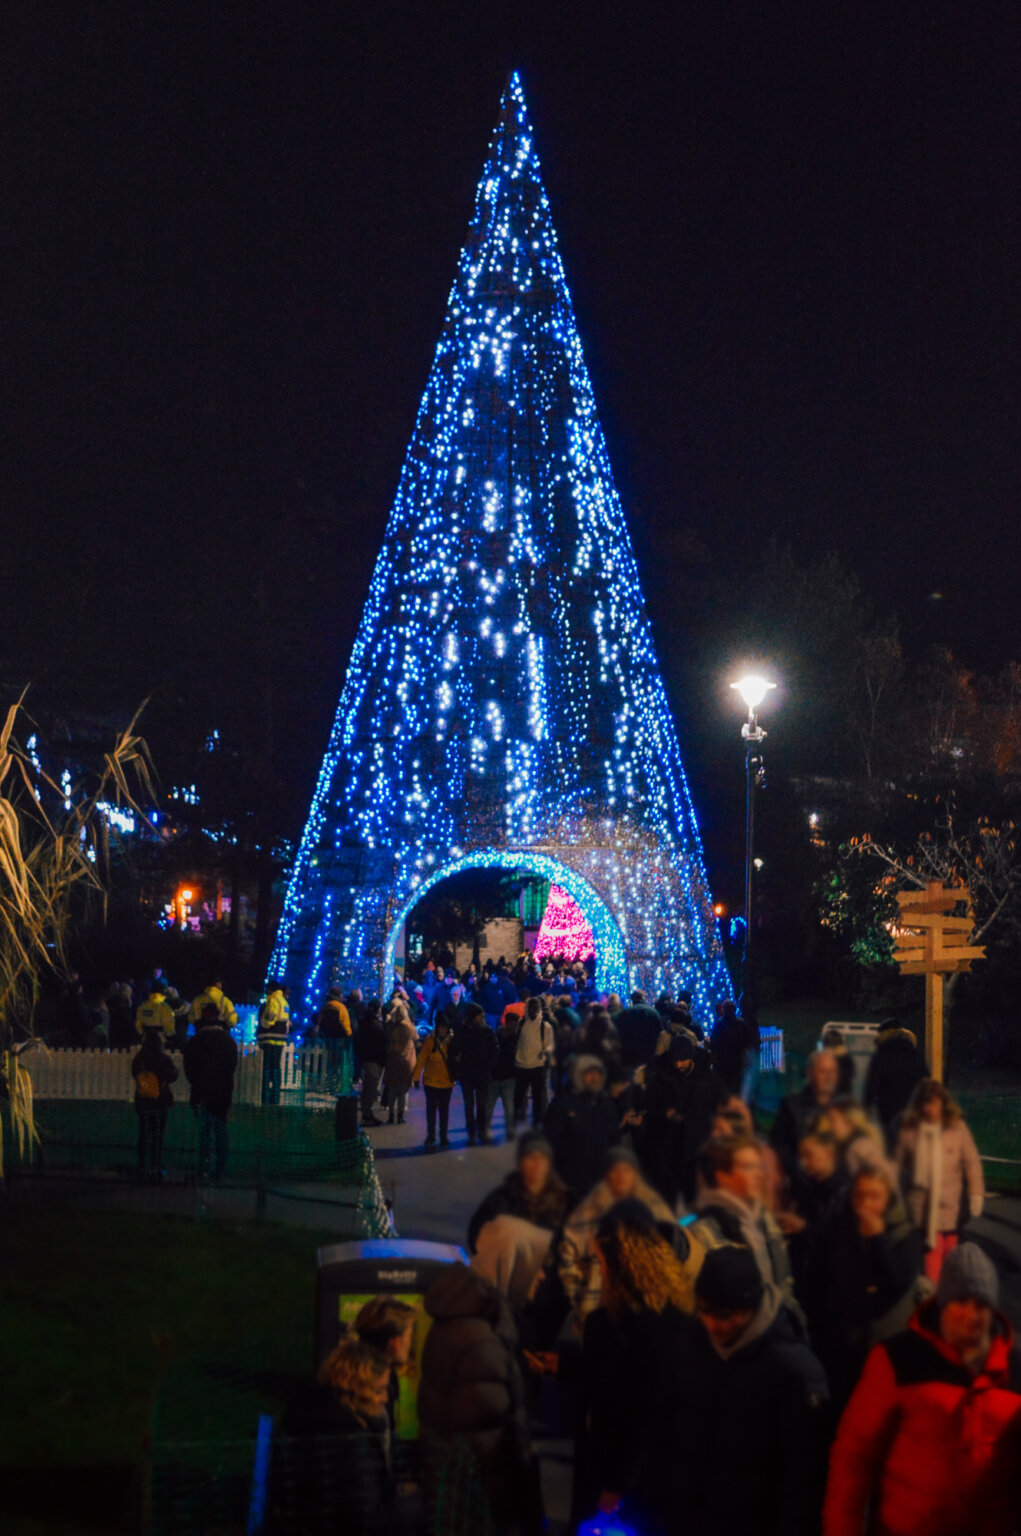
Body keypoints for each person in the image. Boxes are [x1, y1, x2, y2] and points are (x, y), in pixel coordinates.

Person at [824, 1243, 1021, 1536]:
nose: (970, 1314)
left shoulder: (1013, 1371)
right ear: (941, 1304)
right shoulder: (898, 1360)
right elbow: (854, 1457)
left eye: (980, 1304)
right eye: (960, 1302)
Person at [576, 1200, 702, 1535]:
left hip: (628, 1482)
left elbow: (633, 1411)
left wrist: (614, 1484)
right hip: (675, 1473)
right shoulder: (683, 1316)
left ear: (621, 1266)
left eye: (602, 1262)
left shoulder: (610, 1325)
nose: (600, 1271)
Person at [690, 1246, 830, 1536]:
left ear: (751, 1307)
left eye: (725, 1314)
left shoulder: (793, 1369)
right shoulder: (697, 1348)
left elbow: (806, 1476)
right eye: (705, 1311)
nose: (713, 1325)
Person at [418, 1263, 542, 1536]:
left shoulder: (443, 1329)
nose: (542, 1276)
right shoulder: (483, 1341)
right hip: (483, 1483)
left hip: (449, 1475)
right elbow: (489, 1419)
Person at [807, 1166, 923, 1411]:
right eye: (860, 1195)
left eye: (874, 1196)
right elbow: (823, 1273)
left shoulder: (906, 1232)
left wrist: (878, 1239)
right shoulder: (841, 1226)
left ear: (888, 1197)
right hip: (841, 1338)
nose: (865, 1204)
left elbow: (898, 1283)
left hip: (885, 1341)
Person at [558, 1147, 682, 1329]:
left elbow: (672, 1251)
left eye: (627, 1170)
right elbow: (568, 1258)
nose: (621, 1176)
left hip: (649, 1310)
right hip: (595, 1309)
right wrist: (580, 1298)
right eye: (615, 1170)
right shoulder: (586, 1212)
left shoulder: (654, 1207)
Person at [282, 1337, 394, 1533]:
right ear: (358, 1389)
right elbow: (365, 1516)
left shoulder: (313, 1413)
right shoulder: (349, 1439)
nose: (385, 1398)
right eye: (380, 1390)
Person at [895, 1077, 985, 1285]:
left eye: (934, 1102)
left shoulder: (958, 1129)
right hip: (923, 1212)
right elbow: (896, 1167)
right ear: (919, 1105)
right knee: (931, 1265)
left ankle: (948, 1299)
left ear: (943, 1103)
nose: (930, 1108)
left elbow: (971, 1163)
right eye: (925, 1102)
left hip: (951, 1208)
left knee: (951, 1259)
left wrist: (976, 1193)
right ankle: (933, 1302)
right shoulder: (910, 1132)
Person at [692, 1135, 796, 1304]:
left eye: (759, 1167)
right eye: (748, 1167)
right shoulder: (704, 1232)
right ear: (722, 1176)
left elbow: (783, 1284)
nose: (759, 1175)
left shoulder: (763, 1220)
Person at [641, 1033, 728, 1206]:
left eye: (683, 1060)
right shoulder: (662, 1078)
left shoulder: (707, 1079)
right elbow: (650, 1105)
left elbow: (722, 1103)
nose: (679, 1064)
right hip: (669, 1149)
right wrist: (663, 1113)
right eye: (676, 1060)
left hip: (697, 1147)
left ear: (692, 1058)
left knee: (697, 1201)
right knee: (666, 1201)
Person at [468, 1132, 571, 1252]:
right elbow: (476, 1238)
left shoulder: (565, 1201)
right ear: (520, 1162)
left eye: (542, 1157)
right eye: (530, 1157)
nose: (536, 1164)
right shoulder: (501, 1200)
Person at [543, 1053, 621, 1198]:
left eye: (598, 1073)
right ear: (578, 1075)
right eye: (589, 1074)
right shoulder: (563, 1104)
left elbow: (614, 1137)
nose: (594, 1078)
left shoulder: (605, 1103)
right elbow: (551, 1140)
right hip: (571, 1179)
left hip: (600, 1179)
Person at [183, 1000, 239, 1179]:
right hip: (222, 1091)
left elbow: (189, 1069)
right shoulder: (229, 1042)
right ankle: (220, 1169)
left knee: (205, 1132)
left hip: (202, 1091)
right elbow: (232, 1066)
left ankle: (203, 1167)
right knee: (221, 1130)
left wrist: (196, 1086)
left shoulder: (195, 1042)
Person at [769, 1048, 840, 1176]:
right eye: (823, 1071)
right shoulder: (791, 1106)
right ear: (810, 1073)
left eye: (832, 1072)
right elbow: (778, 1145)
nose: (829, 1077)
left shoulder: (844, 1108)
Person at [354, 1295, 418, 1437]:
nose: (410, 1342)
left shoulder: (353, 1374)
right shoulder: (378, 1383)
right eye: (409, 1335)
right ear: (395, 1343)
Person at [863, 1021, 928, 1149]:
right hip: (911, 1109)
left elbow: (871, 1085)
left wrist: (866, 1107)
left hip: (888, 1111)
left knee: (891, 1148)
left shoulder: (881, 1055)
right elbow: (925, 1079)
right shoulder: (913, 1053)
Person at [131, 1027, 178, 1178]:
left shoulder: (139, 1059)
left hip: (143, 1100)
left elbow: (135, 1074)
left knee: (144, 1134)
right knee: (157, 1134)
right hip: (160, 1101)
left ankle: (141, 1166)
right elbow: (172, 1076)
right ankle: (155, 1166)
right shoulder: (163, 1059)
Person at [450, 1002, 498, 1145]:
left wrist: (489, 1068)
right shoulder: (463, 1032)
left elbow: (494, 1051)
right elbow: (454, 1051)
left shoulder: (487, 1032)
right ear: (473, 1017)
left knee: (481, 1104)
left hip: (481, 1074)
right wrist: (458, 1068)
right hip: (468, 1075)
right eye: (479, 1016)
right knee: (470, 1105)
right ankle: (472, 1133)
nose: (482, 1018)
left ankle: (481, 1131)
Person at [817, 1095, 891, 1179]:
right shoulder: (846, 1147)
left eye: (832, 1120)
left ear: (849, 1120)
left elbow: (882, 1177)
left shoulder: (861, 1146)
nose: (829, 1126)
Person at [412, 1011, 456, 1147]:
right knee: (432, 1111)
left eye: (445, 1027)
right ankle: (431, 1135)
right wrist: (416, 1077)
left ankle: (442, 1136)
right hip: (431, 1081)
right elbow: (422, 1060)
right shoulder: (430, 1041)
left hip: (446, 1082)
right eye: (441, 1027)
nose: (443, 1029)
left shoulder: (453, 1041)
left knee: (443, 1111)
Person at [514, 996, 554, 1128]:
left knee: (538, 1096)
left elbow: (550, 1044)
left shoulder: (545, 1026)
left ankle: (537, 1119)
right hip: (522, 1065)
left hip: (537, 1065)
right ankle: (518, 1117)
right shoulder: (521, 1023)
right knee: (521, 1095)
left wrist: (545, 1051)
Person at [711, 999, 760, 1098]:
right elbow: (747, 1041)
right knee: (737, 1084)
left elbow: (714, 1042)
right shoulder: (741, 1023)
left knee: (726, 1085)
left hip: (723, 1061)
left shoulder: (719, 1024)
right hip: (737, 1059)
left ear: (724, 1010)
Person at [487, 1008, 521, 1142]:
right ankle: (487, 1129)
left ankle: (510, 1129)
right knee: (490, 1106)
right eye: (513, 1024)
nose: (514, 1027)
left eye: (516, 1024)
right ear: (507, 1023)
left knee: (509, 1106)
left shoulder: (516, 1037)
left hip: (509, 1077)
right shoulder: (495, 1036)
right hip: (495, 1076)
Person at [383, 1000, 418, 1126]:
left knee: (392, 1089)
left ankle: (391, 1115)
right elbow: (416, 1038)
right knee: (403, 1091)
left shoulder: (392, 1027)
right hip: (406, 1061)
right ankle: (401, 1115)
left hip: (393, 1060)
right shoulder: (409, 1028)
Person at [257, 980, 291, 1105]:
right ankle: (275, 1098)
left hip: (269, 1038)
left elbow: (270, 1017)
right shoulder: (284, 1001)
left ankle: (265, 1099)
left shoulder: (272, 1001)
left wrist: (264, 1024)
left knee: (266, 1069)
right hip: (280, 1040)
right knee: (276, 1069)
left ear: (270, 989)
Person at [353, 999, 387, 1127]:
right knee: (371, 1088)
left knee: (368, 1088)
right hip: (374, 1059)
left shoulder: (363, 1022)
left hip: (366, 1058)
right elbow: (380, 1043)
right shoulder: (375, 1024)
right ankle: (367, 1114)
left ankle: (367, 1113)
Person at [612, 992, 665, 1071]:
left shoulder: (625, 1013)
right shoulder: (653, 1012)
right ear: (643, 998)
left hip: (630, 1056)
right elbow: (661, 1034)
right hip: (649, 1053)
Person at [317, 987, 353, 1089]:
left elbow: (320, 1022)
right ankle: (336, 1085)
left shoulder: (326, 1006)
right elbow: (345, 1025)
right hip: (339, 1040)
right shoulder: (341, 1007)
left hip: (327, 1039)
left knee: (329, 1063)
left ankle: (327, 1084)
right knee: (338, 1064)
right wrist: (349, 1036)